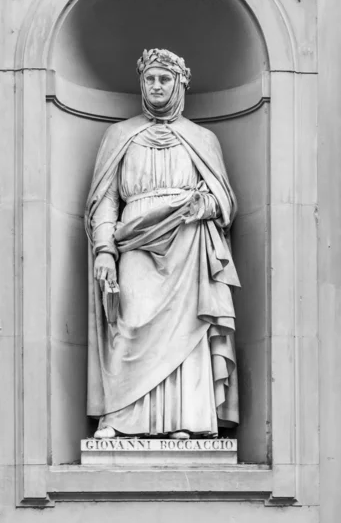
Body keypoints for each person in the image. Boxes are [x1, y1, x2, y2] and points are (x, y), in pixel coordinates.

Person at [84, 48, 240, 439]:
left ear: (180, 84)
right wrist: (104, 250)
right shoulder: (119, 135)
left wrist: (201, 204)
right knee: (129, 322)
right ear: (142, 83)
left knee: (188, 332)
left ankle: (184, 419)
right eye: (150, 79)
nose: (156, 86)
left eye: (164, 79)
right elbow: (105, 201)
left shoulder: (202, 139)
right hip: (134, 241)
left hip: (187, 245)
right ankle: (120, 417)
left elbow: (225, 201)